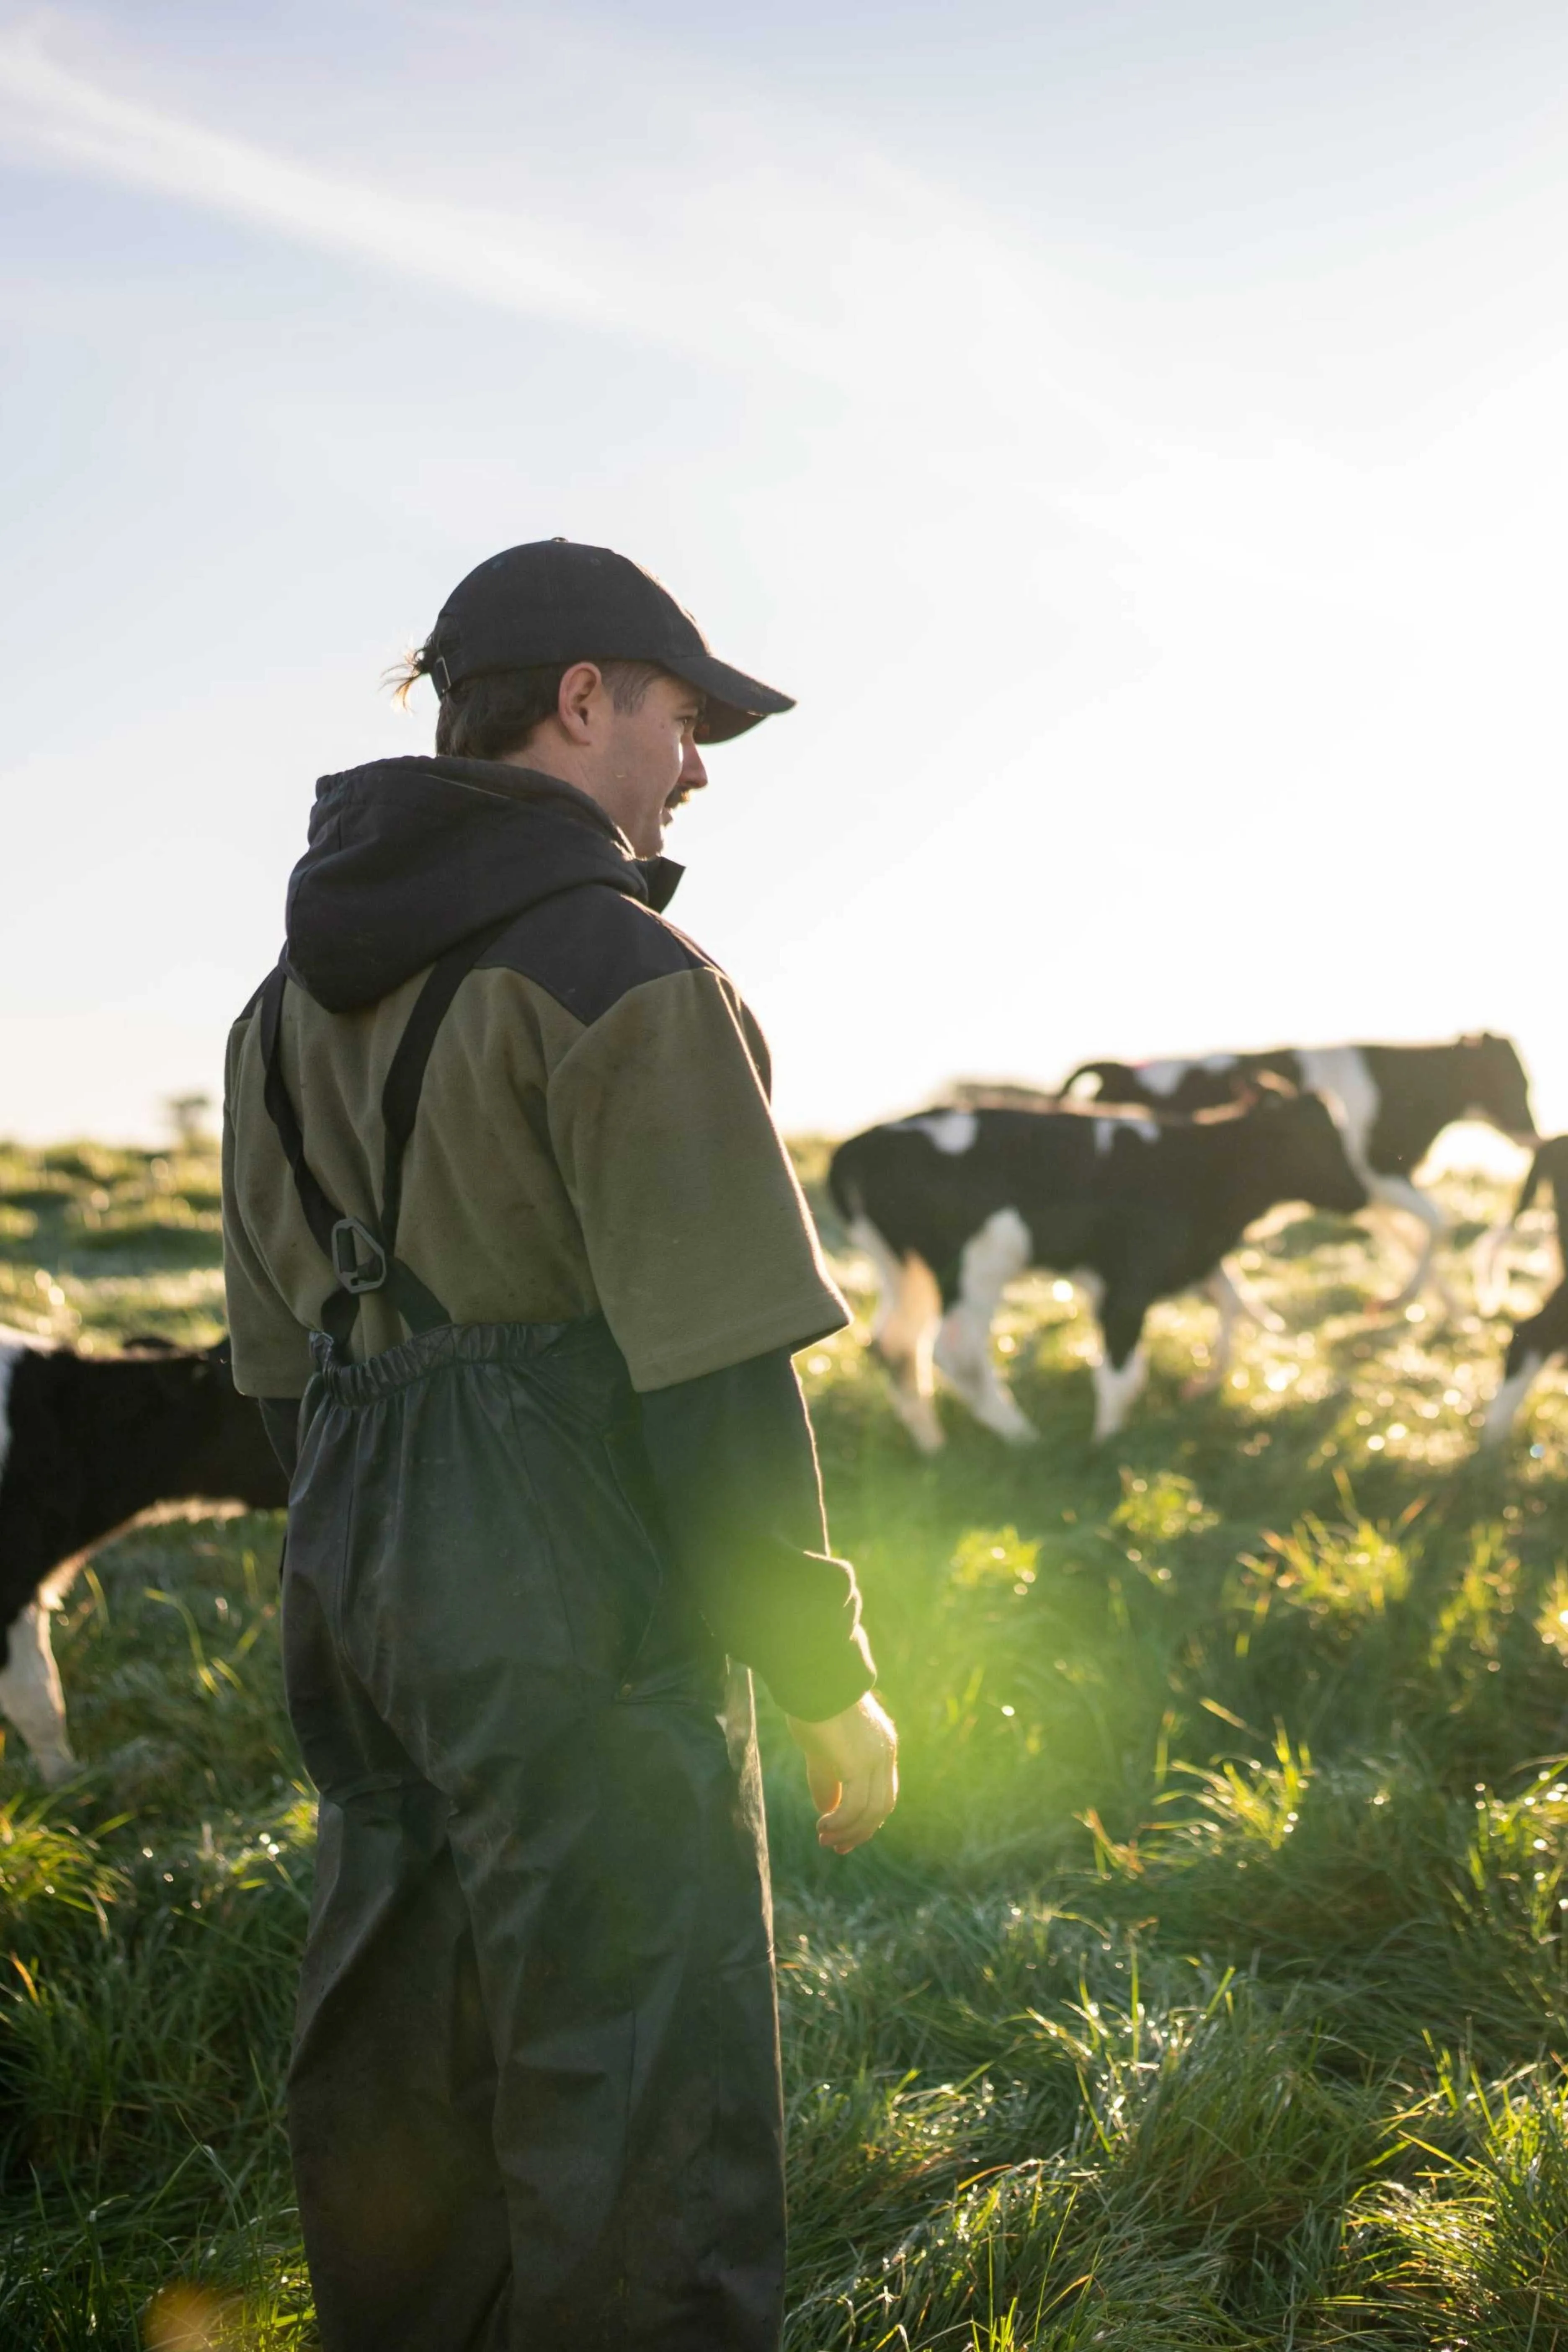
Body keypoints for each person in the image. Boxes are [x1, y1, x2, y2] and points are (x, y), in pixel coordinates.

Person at [221, 538, 898, 2352]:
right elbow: (721, 1371)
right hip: (577, 1581)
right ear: (583, 697)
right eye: (684, 721)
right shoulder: (622, 970)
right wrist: (825, 1671)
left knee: (400, 2072)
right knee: (639, 2098)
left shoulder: (276, 1012)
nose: (694, 768)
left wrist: (377, 1562)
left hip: (352, 1582)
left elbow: (281, 1374)